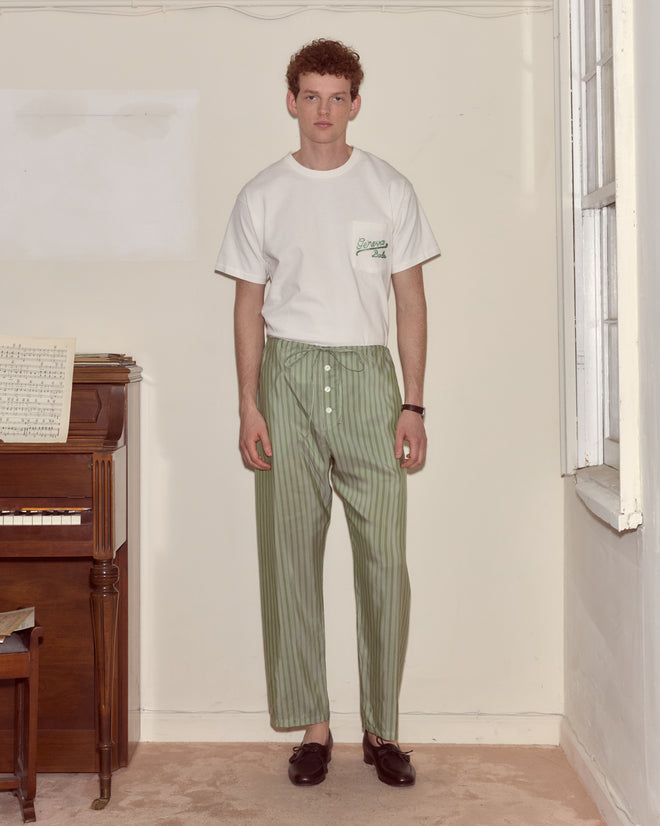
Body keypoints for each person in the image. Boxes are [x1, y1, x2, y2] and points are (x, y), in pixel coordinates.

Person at [216, 38, 440, 788]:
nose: (322, 111)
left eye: (336, 97)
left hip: (370, 380)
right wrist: (249, 403)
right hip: (288, 375)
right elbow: (248, 305)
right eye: (309, 95)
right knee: (290, 559)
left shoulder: (388, 189)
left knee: (384, 563)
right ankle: (314, 727)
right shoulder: (262, 194)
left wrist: (411, 401)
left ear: (355, 103)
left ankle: (383, 729)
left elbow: (410, 300)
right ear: (290, 100)